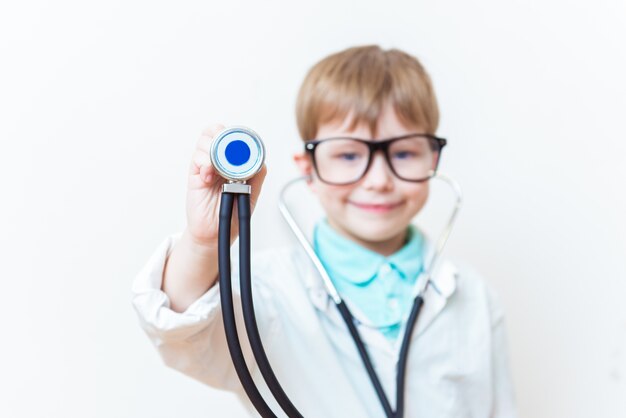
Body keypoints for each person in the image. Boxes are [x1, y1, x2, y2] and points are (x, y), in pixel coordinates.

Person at [132, 45, 517, 417]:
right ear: (308, 168)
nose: (379, 180)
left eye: (403, 152)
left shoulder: (473, 299)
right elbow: (182, 331)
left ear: (434, 158)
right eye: (349, 155)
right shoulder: (263, 292)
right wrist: (204, 242)